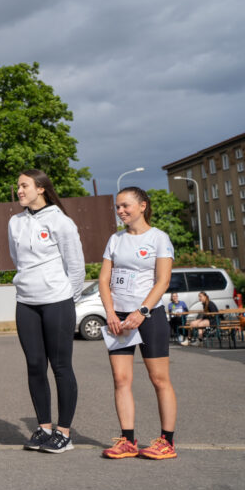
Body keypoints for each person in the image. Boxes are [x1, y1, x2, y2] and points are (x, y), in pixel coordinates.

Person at [8, 169, 85, 454]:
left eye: (24, 186)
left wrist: (67, 298)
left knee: (61, 366)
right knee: (35, 365)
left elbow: (75, 266)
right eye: (18, 186)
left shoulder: (61, 221)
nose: (19, 190)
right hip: (26, 302)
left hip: (57, 301)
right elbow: (17, 259)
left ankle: (64, 432)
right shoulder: (15, 222)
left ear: (41, 188)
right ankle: (44, 427)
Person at [99, 187, 178, 460]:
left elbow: (163, 281)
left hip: (149, 316)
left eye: (125, 205)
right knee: (121, 379)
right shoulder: (115, 239)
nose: (120, 211)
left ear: (142, 206)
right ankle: (127, 441)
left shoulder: (159, 238)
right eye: (118, 206)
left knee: (159, 379)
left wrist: (142, 311)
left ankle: (166, 442)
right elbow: (104, 280)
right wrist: (110, 312)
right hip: (119, 319)